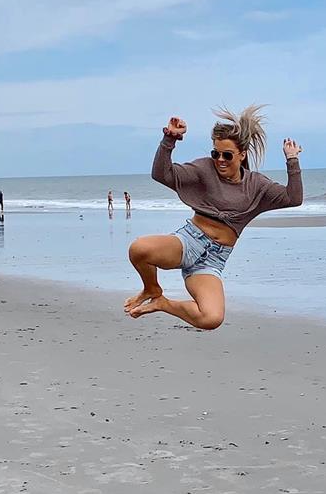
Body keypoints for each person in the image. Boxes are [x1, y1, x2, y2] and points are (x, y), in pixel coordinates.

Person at [124, 105, 303, 330]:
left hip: (213, 260)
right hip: (189, 241)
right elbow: (161, 174)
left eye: (227, 155)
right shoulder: (204, 169)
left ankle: (162, 303)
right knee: (138, 249)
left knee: (211, 318)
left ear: (242, 155)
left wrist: (292, 161)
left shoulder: (257, 185)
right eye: (215, 153)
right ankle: (152, 288)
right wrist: (170, 139)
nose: (220, 160)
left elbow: (293, 198)